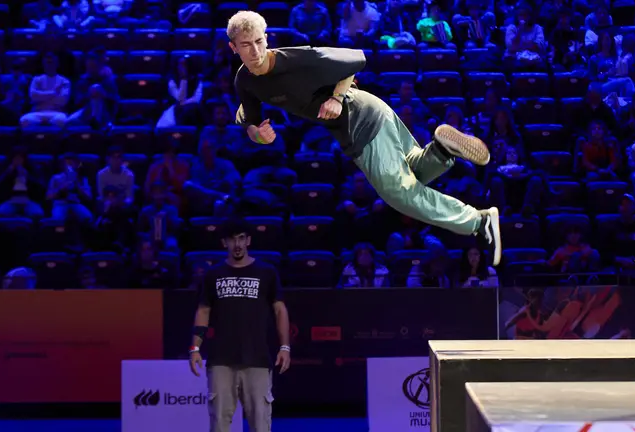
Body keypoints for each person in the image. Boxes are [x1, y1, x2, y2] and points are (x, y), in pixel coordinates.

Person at [227, 11, 502, 265]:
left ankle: (478, 222)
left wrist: (336, 98)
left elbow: (356, 58)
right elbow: (250, 118)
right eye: (246, 45)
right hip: (372, 114)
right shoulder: (245, 80)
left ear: (267, 39)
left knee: (400, 195)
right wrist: (257, 134)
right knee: (414, 172)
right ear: (234, 47)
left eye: (259, 42)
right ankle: (442, 150)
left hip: (360, 119)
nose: (255, 51)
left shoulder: (295, 59)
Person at [189, 218, 291, 432]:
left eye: (241, 238)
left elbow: (279, 310)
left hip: (257, 359)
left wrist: (285, 347)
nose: (237, 244)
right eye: (232, 239)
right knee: (219, 424)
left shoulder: (266, 272)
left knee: (261, 425)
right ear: (223, 242)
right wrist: (195, 348)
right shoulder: (213, 274)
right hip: (221, 361)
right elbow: (203, 311)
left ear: (248, 240)